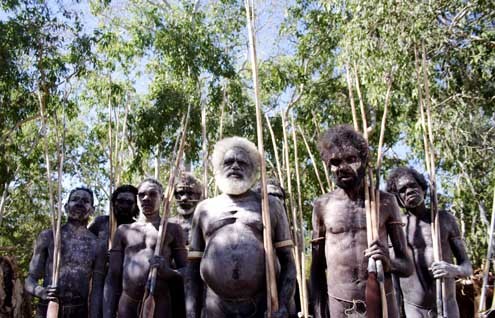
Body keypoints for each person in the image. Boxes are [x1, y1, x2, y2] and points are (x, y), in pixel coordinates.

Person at [187, 136, 296, 318]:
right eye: (229, 162)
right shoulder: (204, 208)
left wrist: (283, 304)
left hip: (262, 305)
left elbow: (288, 262)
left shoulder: (269, 205)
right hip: (215, 307)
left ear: (253, 169)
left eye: (242, 162)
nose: (235, 166)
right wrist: (191, 312)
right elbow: (192, 268)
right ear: (219, 168)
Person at [310, 125, 413, 318]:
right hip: (339, 307)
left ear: (364, 161)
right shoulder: (322, 205)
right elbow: (316, 269)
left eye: (351, 159)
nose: (342, 167)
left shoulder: (385, 202)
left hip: (382, 303)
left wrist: (389, 262)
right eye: (335, 162)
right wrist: (316, 311)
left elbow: (407, 266)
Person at [386, 167, 473, 318]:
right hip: (414, 309)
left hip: (447, 306)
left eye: (413, 185)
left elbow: (467, 267)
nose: (409, 191)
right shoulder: (397, 228)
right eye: (402, 190)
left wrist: (453, 270)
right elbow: (395, 276)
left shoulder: (444, 220)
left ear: (423, 189)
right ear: (397, 199)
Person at [103, 178, 187, 318]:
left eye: (152, 194)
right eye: (142, 195)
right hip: (127, 304)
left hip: (160, 304)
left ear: (162, 198)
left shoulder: (172, 229)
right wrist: (108, 313)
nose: (146, 198)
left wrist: (168, 272)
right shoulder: (123, 231)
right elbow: (112, 277)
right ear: (137, 199)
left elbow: (187, 271)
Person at [25, 187, 106, 318]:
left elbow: (97, 290)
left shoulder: (97, 245)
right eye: (75, 199)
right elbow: (30, 280)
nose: (79, 203)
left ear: (92, 210)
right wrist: (41, 292)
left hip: (79, 311)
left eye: (85, 201)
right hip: (48, 308)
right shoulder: (49, 236)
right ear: (66, 207)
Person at [169, 172, 203, 246]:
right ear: (174, 195)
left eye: (190, 193)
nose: (184, 198)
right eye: (181, 193)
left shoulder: (204, 223)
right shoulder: (167, 225)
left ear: (198, 196)